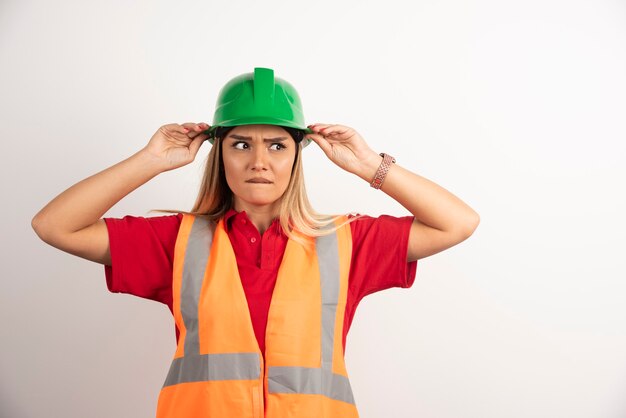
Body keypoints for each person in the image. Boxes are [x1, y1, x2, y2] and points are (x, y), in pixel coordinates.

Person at [32, 67, 479, 418]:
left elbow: (457, 223)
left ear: (297, 155)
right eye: (242, 144)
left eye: (278, 146)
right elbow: (55, 225)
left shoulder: (345, 241)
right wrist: (150, 161)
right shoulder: (178, 241)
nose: (260, 162)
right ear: (219, 151)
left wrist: (369, 166)